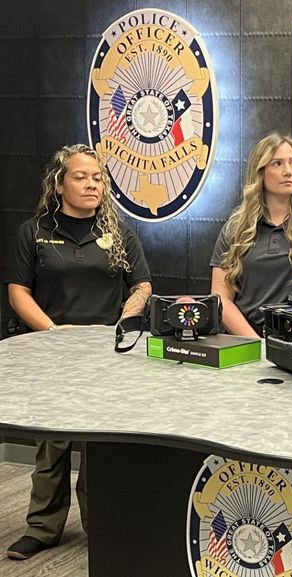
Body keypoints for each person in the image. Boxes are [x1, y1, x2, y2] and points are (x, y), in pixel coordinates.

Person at [6, 144, 152, 560]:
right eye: (81, 176)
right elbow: (18, 293)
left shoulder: (119, 233)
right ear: (58, 183)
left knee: (100, 446)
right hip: (51, 353)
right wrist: (53, 331)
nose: (91, 184)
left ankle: (101, 525)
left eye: (97, 178)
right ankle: (43, 528)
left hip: (106, 354)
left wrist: (128, 315)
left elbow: (141, 284)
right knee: (51, 446)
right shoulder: (33, 232)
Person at [210, 133, 292, 337]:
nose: (288, 171)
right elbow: (221, 297)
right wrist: (256, 345)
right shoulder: (236, 228)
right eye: (277, 164)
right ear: (260, 172)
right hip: (246, 341)